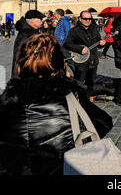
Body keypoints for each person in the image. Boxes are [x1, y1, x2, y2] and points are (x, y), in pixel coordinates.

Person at [0, 33, 113, 175]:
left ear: (21, 65)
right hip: (62, 168)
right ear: (60, 64)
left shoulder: (7, 100)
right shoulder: (70, 96)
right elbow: (105, 122)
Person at [64, 10, 106, 97]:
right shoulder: (74, 31)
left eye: (90, 19)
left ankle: (89, 99)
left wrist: (102, 44)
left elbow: (98, 43)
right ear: (80, 19)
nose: (88, 21)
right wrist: (79, 49)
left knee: (90, 83)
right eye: (85, 19)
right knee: (78, 82)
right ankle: (78, 99)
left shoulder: (94, 29)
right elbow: (67, 44)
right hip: (81, 62)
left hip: (93, 61)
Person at [11, 9, 45, 78]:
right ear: (32, 20)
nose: (41, 21)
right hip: (27, 72)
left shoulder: (32, 31)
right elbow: (21, 54)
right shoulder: (27, 33)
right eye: (40, 19)